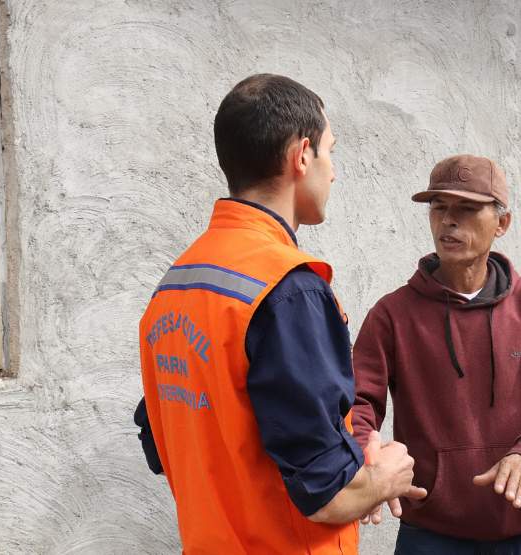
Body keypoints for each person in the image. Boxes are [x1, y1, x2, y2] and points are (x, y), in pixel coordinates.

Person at [134, 73, 424, 554]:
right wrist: (384, 476)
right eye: (330, 152)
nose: (333, 171)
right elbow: (326, 494)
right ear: (302, 155)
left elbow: (170, 440)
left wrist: (352, 454)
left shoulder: (180, 280)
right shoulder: (289, 290)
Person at [351, 155, 521, 554]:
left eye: (467, 209)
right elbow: (356, 401)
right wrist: (364, 457)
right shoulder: (392, 315)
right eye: (439, 208)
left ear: (502, 223)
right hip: (430, 531)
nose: (448, 221)